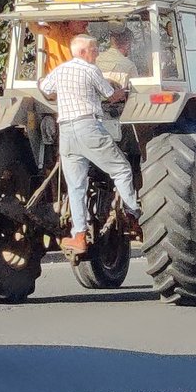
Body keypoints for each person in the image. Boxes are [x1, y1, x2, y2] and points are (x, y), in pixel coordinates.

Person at [39, 34, 141, 255]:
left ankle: (79, 236)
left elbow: (45, 89)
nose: (97, 53)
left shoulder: (60, 70)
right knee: (122, 169)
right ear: (83, 52)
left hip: (65, 132)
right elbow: (109, 95)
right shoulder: (90, 70)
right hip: (88, 128)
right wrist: (123, 92)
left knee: (76, 186)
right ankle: (132, 213)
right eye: (94, 50)